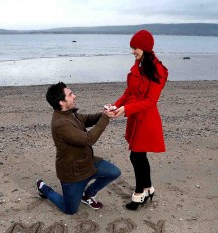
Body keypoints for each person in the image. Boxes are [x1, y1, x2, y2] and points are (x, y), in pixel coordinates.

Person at [36, 82, 121, 215]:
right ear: (61, 102)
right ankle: (44, 189)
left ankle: (88, 194)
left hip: (87, 164)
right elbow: (88, 139)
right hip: (73, 173)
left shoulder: (69, 114)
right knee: (70, 210)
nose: (74, 96)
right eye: (70, 94)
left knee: (114, 172)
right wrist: (105, 118)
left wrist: (103, 113)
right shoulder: (61, 124)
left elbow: (86, 119)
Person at [111, 30, 168, 210]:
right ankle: (148, 189)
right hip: (135, 117)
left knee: (136, 155)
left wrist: (126, 109)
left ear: (144, 47)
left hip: (147, 119)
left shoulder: (158, 70)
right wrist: (116, 105)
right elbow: (129, 92)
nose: (132, 51)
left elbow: (151, 101)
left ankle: (139, 194)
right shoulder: (138, 64)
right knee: (139, 156)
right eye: (132, 48)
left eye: (135, 48)